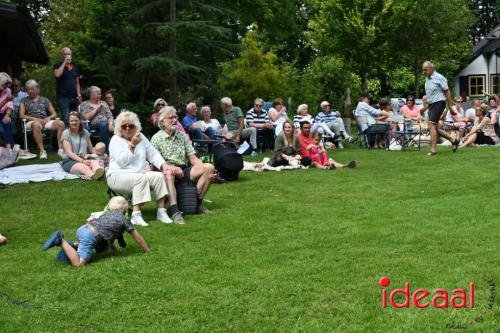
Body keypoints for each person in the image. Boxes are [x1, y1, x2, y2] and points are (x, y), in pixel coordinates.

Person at [43, 196, 150, 267]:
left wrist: (115, 247)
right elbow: (138, 238)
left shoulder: (106, 214)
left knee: (102, 249)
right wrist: (147, 250)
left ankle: (73, 246)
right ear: (125, 211)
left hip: (84, 229)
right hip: (91, 235)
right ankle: (61, 241)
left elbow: (112, 235)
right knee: (79, 264)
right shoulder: (124, 219)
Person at [106, 111, 172, 226]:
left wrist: (163, 165)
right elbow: (122, 162)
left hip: (138, 173)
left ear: (136, 127)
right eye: (124, 126)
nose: (127, 128)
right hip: (117, 175)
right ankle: (136, 215)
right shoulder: (115, 140)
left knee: (159, 176)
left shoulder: (141, 138)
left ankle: (161, 211)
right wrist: (132, 145)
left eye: (130, 126)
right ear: (119, 128)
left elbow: (153, 153)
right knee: (141, 179)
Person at [151, 107, 216, 222]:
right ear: (162, 122)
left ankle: (197, 203)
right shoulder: (156, 138)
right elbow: (155, 164)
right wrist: (171, 167)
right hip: (166, 170)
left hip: (183, 170)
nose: (175, 120)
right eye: (171, 117)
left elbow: (193, 158)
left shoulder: (181, 136)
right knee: (169, 173)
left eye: (176, 117)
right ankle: (175, 212)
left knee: (209, 167)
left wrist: (207, 172)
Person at [19, 79, 65, 159]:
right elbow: (21, 115)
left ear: (37, 89)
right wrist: (35, 119)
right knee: (36, 124)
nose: (30, 91)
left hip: (45, 121)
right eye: (28, 89)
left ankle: (60, 149)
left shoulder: (44, 99)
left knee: (61, 123)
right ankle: (42, 151)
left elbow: (54, 113)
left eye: (32, 89)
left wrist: (48, 118)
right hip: (31, 122)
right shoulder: (24, 100)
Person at [422, 61, 459, 155]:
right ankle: (453, 140)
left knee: (431, 126)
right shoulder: (427, 78)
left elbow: (447, 91)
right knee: (433, 127)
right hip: (432, 104)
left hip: (439, 103)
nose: (424, 72)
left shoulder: (439, 77)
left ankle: (433, 150)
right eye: (423, 70)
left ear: (431, 68)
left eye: (425, 70)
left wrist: (450, 106)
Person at [60, 111, 105, 180]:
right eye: (71, 121)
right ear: (69, 122)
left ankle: (99, 172)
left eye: (76, 120)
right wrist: (82, 161)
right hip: (69, 160)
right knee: (83, 167)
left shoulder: (85, 132)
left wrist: (102, 156)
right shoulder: (65, 133)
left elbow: (91, 149)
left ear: (80, 121)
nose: (74, 122)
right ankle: (93, 176)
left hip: (84, 158)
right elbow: (69, 153)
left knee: (95, 162)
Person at [53, 47, 81, 125]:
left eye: (69, 54)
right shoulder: (57, 65)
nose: (67, 56)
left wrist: (79, 94)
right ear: (62, 56)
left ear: (71, 55)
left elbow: (77, 83)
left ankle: (70, 135)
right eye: (65, 54)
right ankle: (66, 136)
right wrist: (65, 62)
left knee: (75, 118)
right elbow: (57, 75)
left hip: (74, 97)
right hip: (63, 97)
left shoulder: (75, 67)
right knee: (66, 118)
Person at [0, 72, 15, 150]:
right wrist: (5, 100)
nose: (6, 87)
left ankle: (9, 148)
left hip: (3, 113)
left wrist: (7, 115)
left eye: (7, 84)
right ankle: (10, 147)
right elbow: (6, 101)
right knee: (1, 129)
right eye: (5, 84)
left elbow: (10, 104)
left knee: (7, 124)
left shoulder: (7, 90)